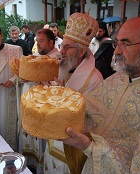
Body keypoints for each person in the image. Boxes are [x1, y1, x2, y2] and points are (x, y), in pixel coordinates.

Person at [60, 17, 140, 174]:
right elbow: (87, 110)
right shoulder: (120, 77)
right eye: (117, 43)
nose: (116, 51)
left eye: (126, 43)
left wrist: (90, 147)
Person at [43, 13, 103, 174]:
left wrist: (64, 94)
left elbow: (91, 117)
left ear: (82, 52)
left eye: (67, 47)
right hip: (53, 137)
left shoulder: (95, 79)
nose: (61, 51)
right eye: (62, 45)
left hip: (73, 146)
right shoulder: (62, 66)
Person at [18, 28, 61, 172]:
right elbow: (26, 78)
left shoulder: (59, 59)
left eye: (41, 41)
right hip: (32, 104)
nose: (38, 44)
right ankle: (30, 162)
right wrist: (25, 78)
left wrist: (41, 80)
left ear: (50, 42)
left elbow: (61, 85)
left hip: (47, 107)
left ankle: (41, 165)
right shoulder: (34, 56)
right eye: (37, 41)